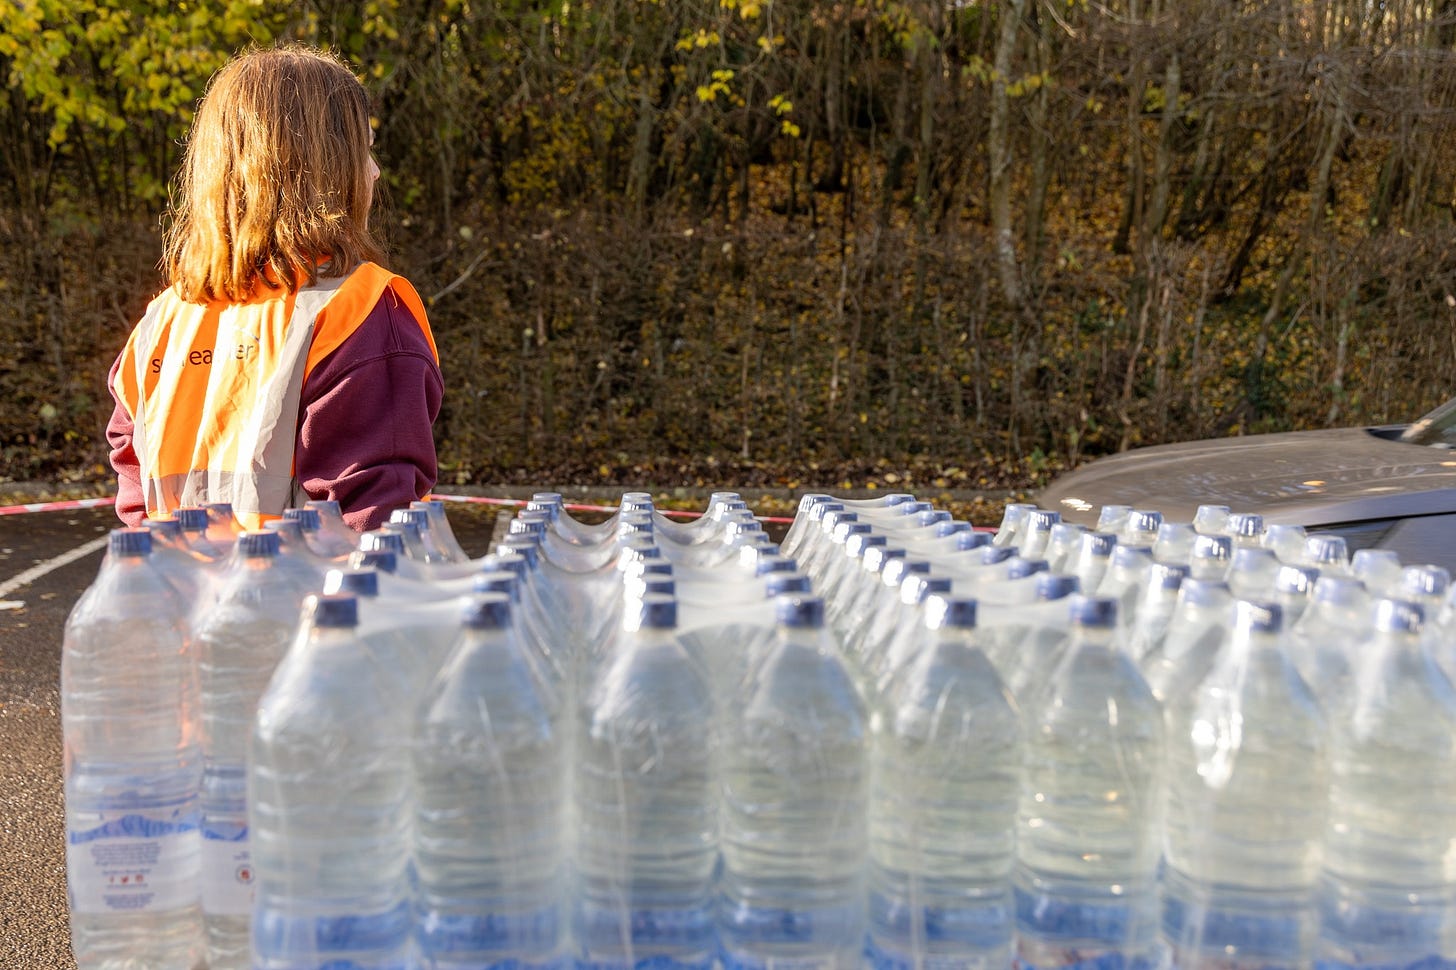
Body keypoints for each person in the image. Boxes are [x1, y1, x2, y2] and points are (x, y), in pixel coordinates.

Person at [106, 44, 442, 532]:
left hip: (178, 602)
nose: (375, 171)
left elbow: (136, 498)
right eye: (364, 149)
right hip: (304, 607)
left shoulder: (162, 322)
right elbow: (375, 530)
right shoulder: (358, 309)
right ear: (327, 168)